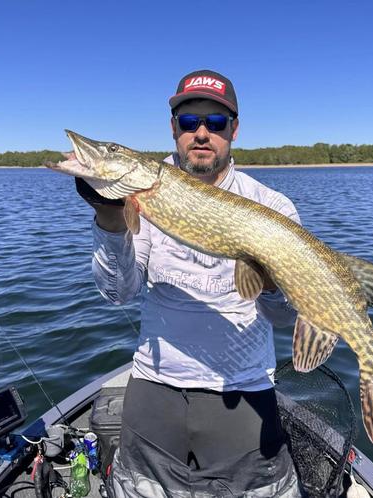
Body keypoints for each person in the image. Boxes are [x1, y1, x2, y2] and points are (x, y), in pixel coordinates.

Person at [75, 70, 302, 497]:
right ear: (173, 129)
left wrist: (272, 283)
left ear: (233, 129)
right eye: (188, 122)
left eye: (215, 123)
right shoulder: (145, 192)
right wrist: (110, 220)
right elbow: (118, 293)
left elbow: (283, 315)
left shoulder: (271, 206)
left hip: (242, 387)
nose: (201, 133)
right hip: (154, 383)